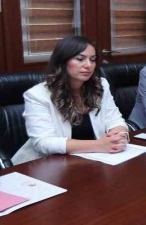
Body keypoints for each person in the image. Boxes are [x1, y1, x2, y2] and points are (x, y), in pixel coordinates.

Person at [12, 36, 129, 165]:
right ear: (62, 61)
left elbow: (114, 119)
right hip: (48, 165)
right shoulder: (37, 95)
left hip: (95, 160)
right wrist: (99, 145)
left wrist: (119, 136)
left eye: (93, 60)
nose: (88, 65)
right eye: (80, 59)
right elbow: (44, 142)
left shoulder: (100, 85)